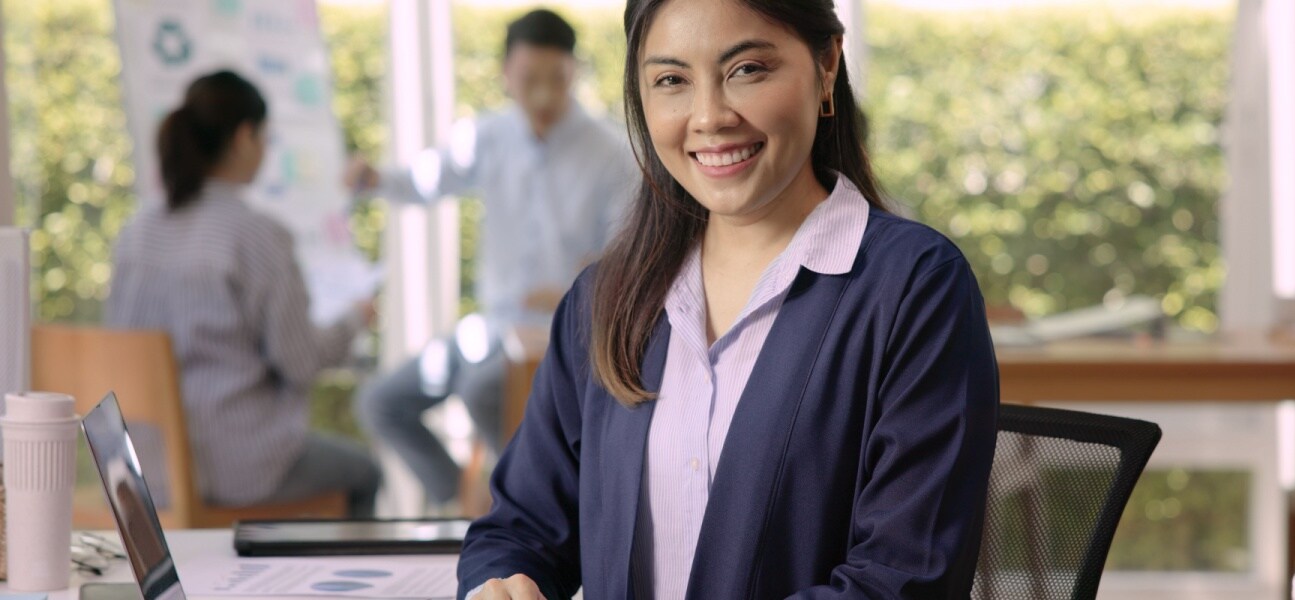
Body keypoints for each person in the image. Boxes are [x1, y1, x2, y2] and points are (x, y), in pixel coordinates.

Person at [459, 0, 1000, 597]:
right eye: (671, 81)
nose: (710, 117)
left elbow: (903, 579)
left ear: (826, 67)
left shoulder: (913, 289)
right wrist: (501, 584)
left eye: (747, 70)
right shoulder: (603, 301)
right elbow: (520, 527)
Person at [347, 8, 638, 511]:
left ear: (576, 72)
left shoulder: (610, 153)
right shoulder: (486, 136)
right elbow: (424, 181)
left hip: (559, 332)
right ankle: (467, 499)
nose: (543, 94)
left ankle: (528, 504)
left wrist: (574, 285)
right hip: (491, 330)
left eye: (557, 79)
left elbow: (626, 256)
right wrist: (373, 179)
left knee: (482, 390)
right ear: (506, 75)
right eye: (529, 80)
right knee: (380, 402)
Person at [108, 71, 381, 517]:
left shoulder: (136, 233)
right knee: (366, 473)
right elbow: (300, 360)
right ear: (244, 137)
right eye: (265, 137)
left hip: (142, 467)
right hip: (237, 468)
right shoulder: (256, 235)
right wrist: (355, 319)